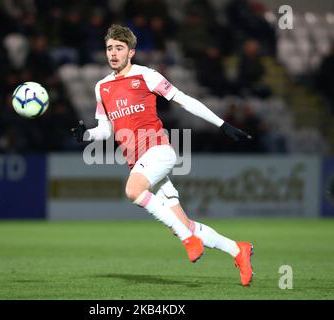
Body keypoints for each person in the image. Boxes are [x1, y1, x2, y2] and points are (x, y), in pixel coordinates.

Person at [71, 24, 254, 286]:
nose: (113, 53)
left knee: (133, 190)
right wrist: (86, 135)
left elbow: (183, 100)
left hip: (158, 150)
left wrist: (222, 124)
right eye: (109, 48)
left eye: (119, 48)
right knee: (183, 223)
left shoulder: (147, 76)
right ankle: (238, 250)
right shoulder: (102, 87)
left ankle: (187, 239)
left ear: (131, 52)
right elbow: (106, 129)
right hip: (140, 162)